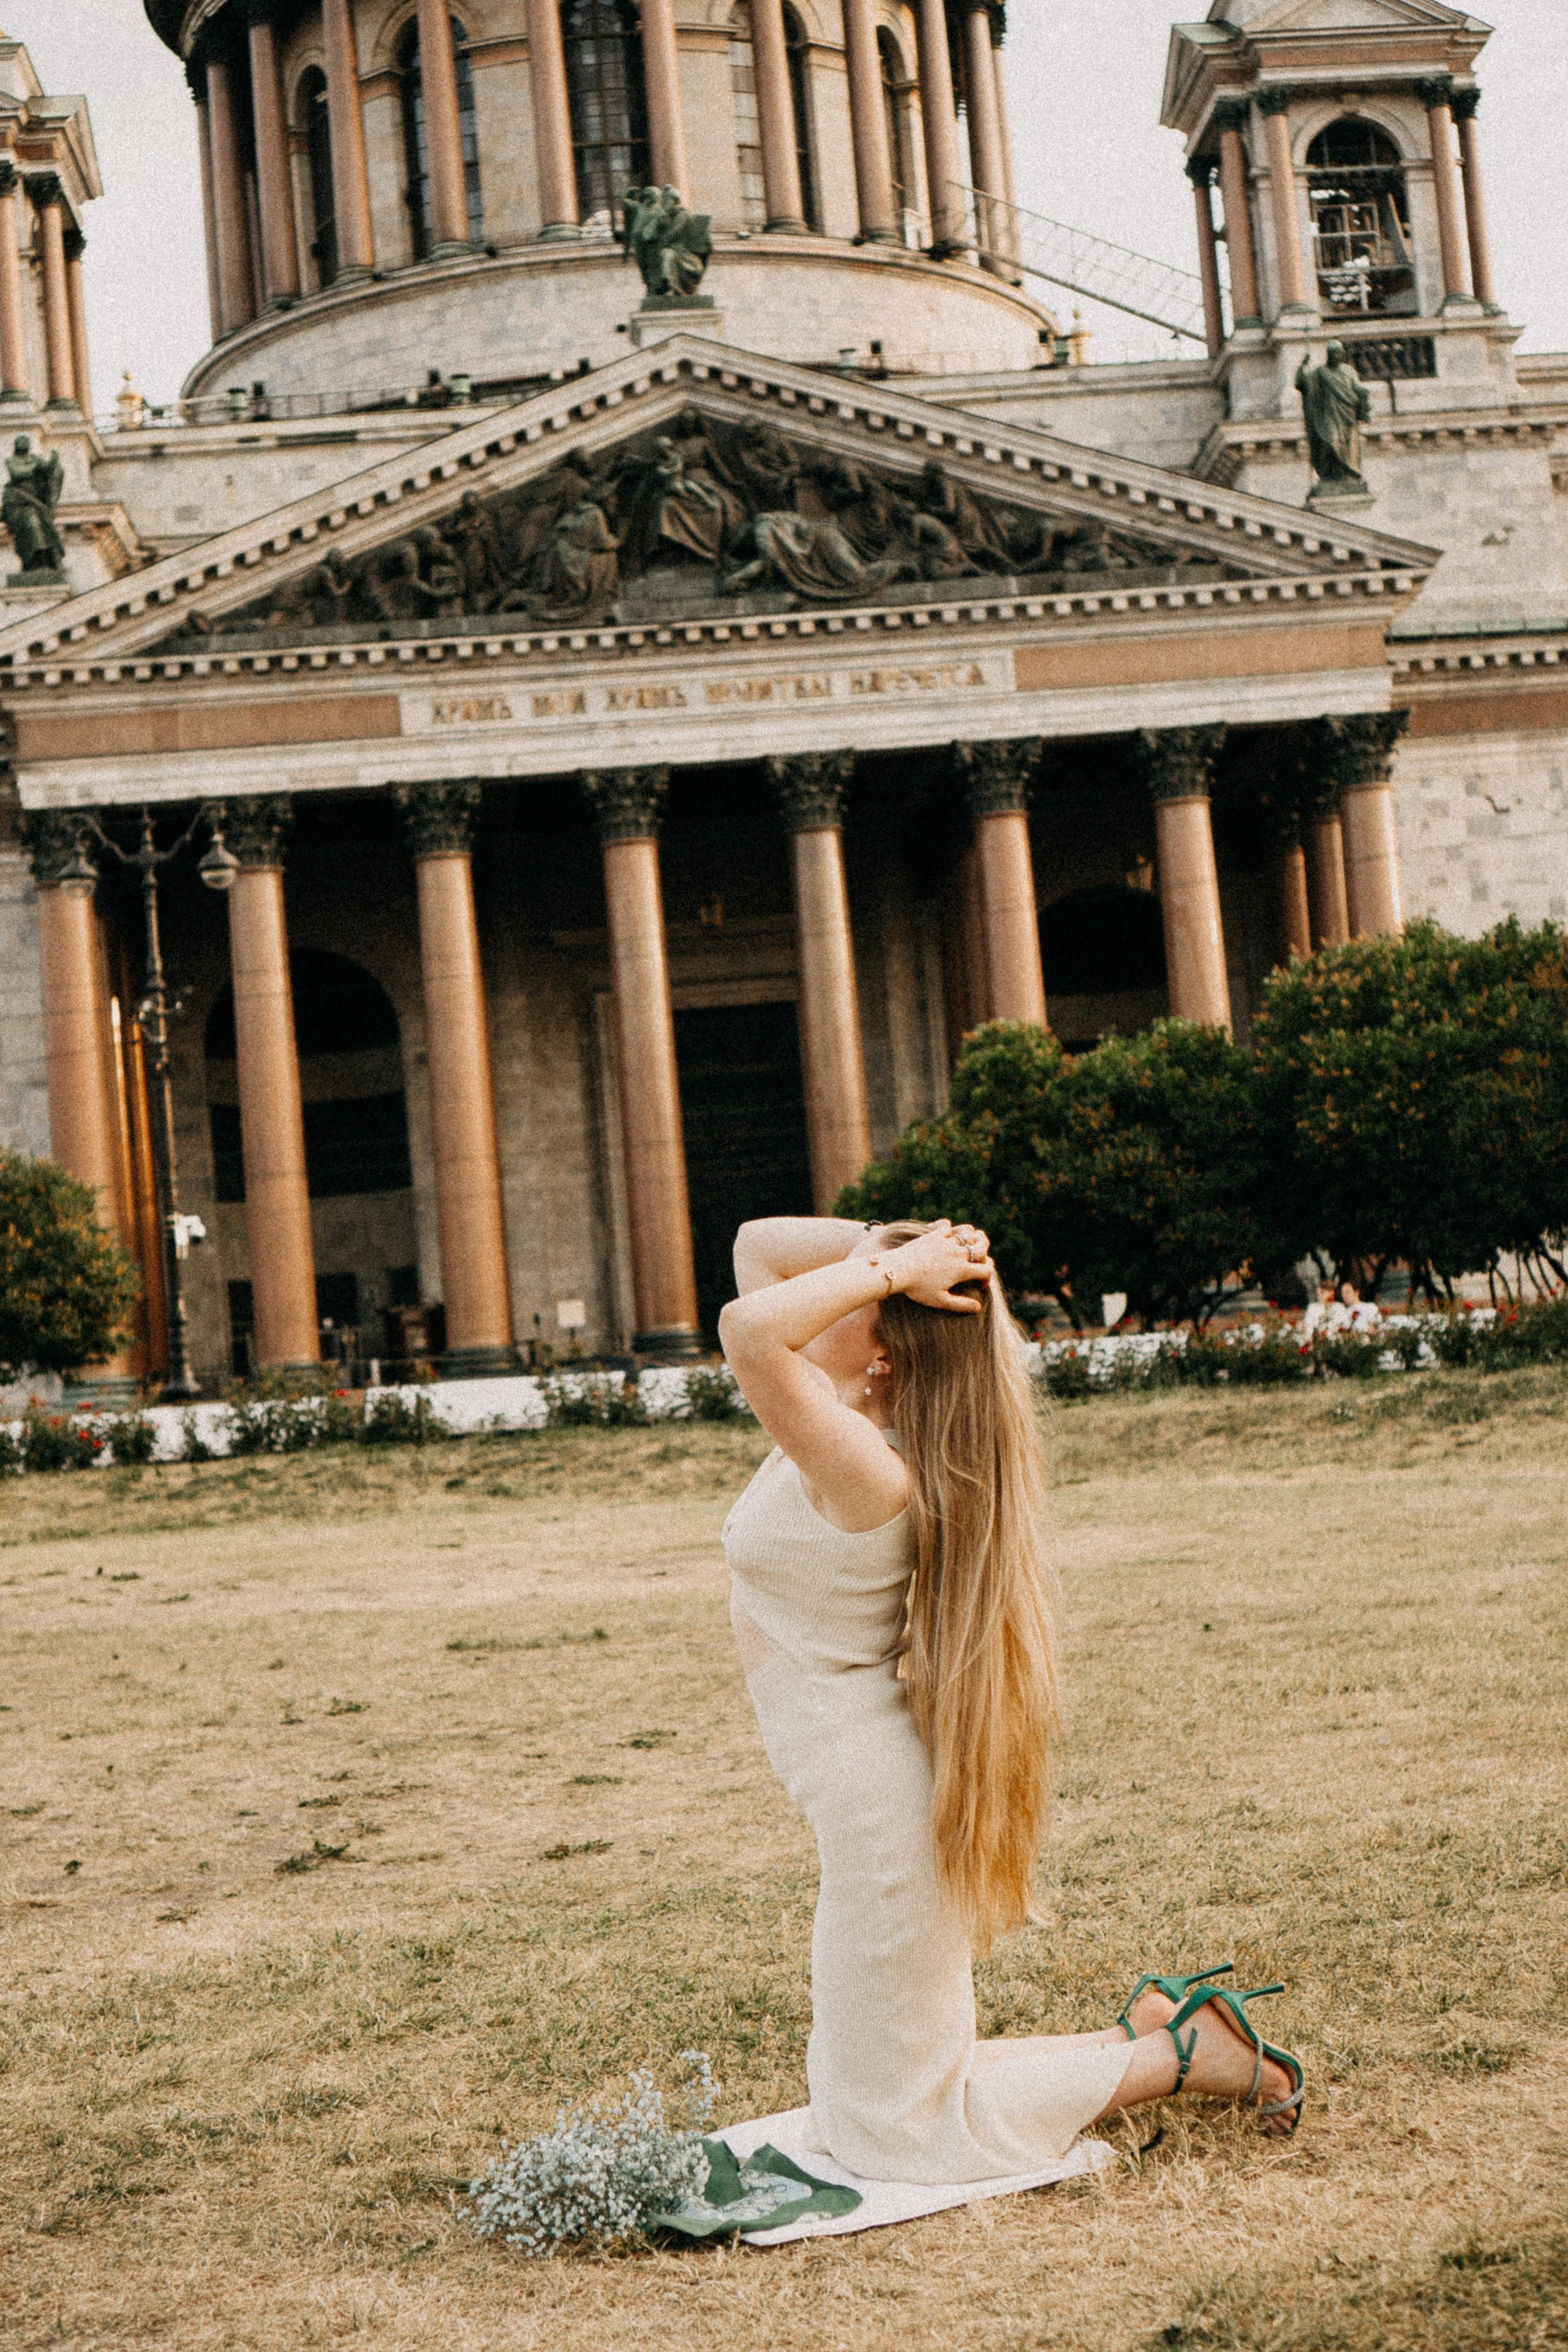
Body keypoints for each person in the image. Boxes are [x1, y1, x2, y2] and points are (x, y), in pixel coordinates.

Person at [718, 1215, 1303, 2188]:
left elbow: (749, 1323)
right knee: (883, 2096)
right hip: (866, 1791)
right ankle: (1158, 2030)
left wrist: (903, 1266)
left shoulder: (866, 1464)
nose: (848, 1284)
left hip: (878, 1809)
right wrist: (902, 1243)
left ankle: (1183, 2060)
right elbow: (755, 1246)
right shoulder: (839, 1413)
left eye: (866, 1291)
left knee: (891, 2137)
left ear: (885, 1352)